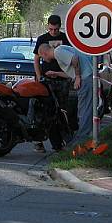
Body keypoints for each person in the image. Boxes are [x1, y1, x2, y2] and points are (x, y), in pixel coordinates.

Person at [37, 44, 94, 143]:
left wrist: (78, 77)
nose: (43, 60)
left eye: (42, 57)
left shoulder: (58, 52)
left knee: (84, 109)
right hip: (87, 77)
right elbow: (71, 70)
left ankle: (82, 139)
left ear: (44, 53)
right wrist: (56, 74)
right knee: (83, 108)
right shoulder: (60, 50)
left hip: (84, 79)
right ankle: (83, 135)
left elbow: (75, 59)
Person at [32, 14, 71, 152]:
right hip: (46, 80)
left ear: (59, 27)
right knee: (42, 109)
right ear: (47, 26)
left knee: (61, 109)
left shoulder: (66, 38)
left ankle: (62, 140)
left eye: (55, 29)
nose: (53, 32)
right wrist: (39, 76)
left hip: (62, 79)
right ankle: (38, 140)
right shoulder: (42, 39)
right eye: (51, 29)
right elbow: (36, 59)